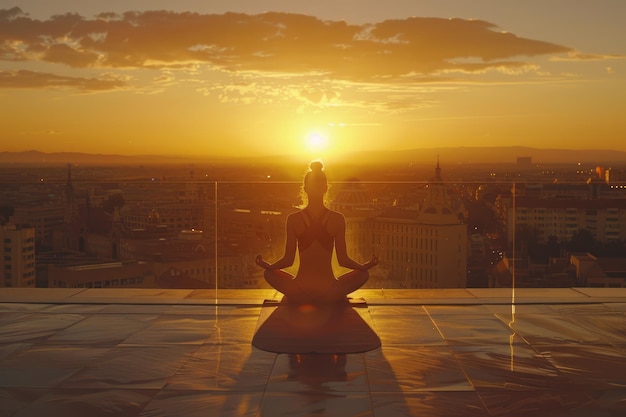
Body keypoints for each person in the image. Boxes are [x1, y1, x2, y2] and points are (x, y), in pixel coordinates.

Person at [256, 161, 378, 305]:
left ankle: (303, 297)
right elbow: (343, 260)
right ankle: (327, 298)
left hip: (300, 289)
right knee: (363, 275)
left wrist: (268, 267)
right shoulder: (337, 219)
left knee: (268, 274)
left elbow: (288, 260)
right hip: (330, 290)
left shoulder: (294, 219)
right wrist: (363, 267)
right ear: (326, 188)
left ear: (305, 188)